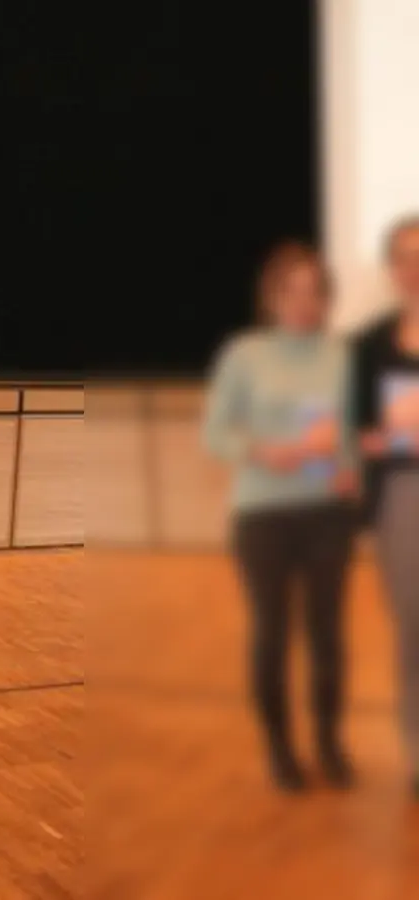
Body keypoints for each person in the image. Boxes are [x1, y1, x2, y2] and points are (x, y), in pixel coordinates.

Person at [200, 240, 359, 792]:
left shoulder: (342, 356)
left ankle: (330, 743)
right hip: (262, 515)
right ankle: (280, 748)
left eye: (314, 290)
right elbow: (216, 432)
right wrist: (268, 452)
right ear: (271, 296)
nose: (303, 300)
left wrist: (348, 465)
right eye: (291, 289)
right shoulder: (245, 355)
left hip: (327, 513)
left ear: (326, 298)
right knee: (272, 633)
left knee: (327, 634)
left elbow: (356, 435)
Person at [347, 214, 419, 796]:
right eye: (404, 256)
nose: (415, 268)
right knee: (414, 629)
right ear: (392, 269)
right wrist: (373, 438)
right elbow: (347, 429)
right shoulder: (369, 344)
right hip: (401, 500)